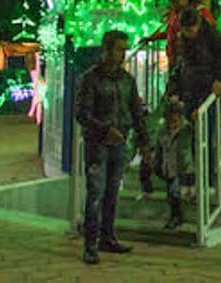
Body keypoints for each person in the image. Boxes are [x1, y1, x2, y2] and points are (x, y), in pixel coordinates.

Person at [74, 30, 151, 266]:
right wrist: (105, 129)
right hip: (98, 144)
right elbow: (82, 113)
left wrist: (144, 140)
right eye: (118, 49)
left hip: (119, 143)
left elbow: (136, 112)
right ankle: (90, 243)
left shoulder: (127, 80)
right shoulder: (91, 79)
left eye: (124, 49)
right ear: (106, 50)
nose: (122, 54)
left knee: (111, 193)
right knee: (95, 193)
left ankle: (107, 237)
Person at [168, 8, 221, 120]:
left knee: (206, 125)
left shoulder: (214, 38)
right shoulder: (184, 41)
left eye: (191, 31)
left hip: (209, 90)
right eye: (186, 31)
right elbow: (181, 66)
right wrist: (174, 90)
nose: (188, 34)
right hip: (190, 92)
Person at [153, 97, 194, 230]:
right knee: (172, 193)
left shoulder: (187, 130)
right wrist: (157, 165)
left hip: (185, 168)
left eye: (175, 120)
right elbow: (159, 150)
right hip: (169, 168)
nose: (172, 124)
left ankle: (177, 216)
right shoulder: (162, 132)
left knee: (176, 191)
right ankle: (175, 215)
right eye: (169, 120)